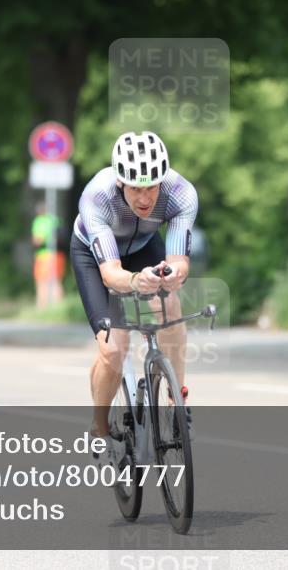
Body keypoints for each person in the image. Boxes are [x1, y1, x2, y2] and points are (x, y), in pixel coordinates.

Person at [70, 131, 198, 465]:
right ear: (119, 183)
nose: (144, 197)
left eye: (151, 187)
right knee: (113, 349)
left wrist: (173, 275)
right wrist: (135, 282)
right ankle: (99, 428)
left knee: (170, 304)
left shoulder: (181, 193)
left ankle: (176, 404)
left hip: (143, 246)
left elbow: (179, 262)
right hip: (95, 257)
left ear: (162, 180)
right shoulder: (97, 197)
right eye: (135, 188)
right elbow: (111, 273)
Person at [31, 201, 65, 308]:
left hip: (44, 256)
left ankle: (42, 308)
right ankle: (58, 308)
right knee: (56, 282)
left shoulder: (40, 221)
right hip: (58, 255)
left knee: (41, 283)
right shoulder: (55, 219)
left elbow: (37, 240)